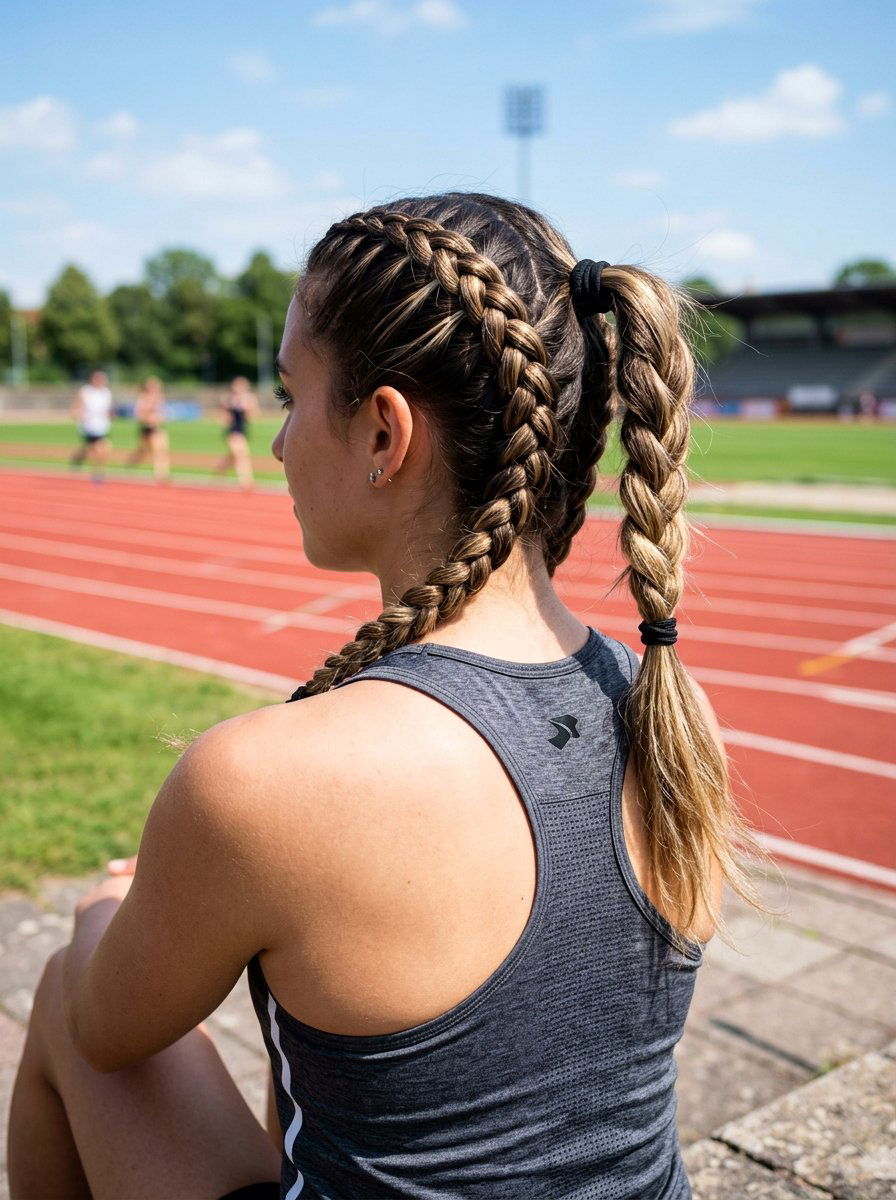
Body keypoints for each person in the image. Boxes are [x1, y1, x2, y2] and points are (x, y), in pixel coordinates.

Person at [8, 194, 778, 1199]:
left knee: (72, 983)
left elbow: (107, 1032)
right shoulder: (674, 715)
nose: (279, 444)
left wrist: (107, 909)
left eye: (293, 395)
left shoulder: (266, 779)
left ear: (383, 434)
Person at [215, 375, 259, 490]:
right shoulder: (228, 398)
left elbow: (252, 416)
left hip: (243, 430)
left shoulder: (249, 399)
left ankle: (222, 466)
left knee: (235, 456)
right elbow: (223, 416)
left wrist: (247, 407)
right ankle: (246, 480)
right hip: (232, 431)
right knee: (241, 454)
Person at [69, 370, 113, 483]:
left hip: (102, 426)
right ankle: (97, 472)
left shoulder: (106, 393)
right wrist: (79, 415)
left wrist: (111, 414)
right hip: (89, 426)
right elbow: (76, 408)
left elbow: (109, 409)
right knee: (98, 448)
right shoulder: (85, 391)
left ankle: (81, 460)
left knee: (99, 449)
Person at [126, 376, 171, 483]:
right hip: (147, 429)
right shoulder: (143, 398)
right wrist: (148, 416)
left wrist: (161, 417)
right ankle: (131, 463)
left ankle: (161, 474)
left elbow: (163, 412)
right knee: (143, 451)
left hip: (158, 428)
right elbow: (138, 415)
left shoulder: (160, 398)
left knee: (161, 450)